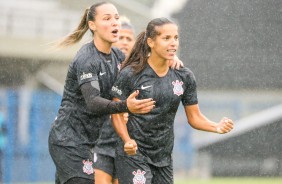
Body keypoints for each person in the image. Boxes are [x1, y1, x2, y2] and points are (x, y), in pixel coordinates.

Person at [110, 17, 234, 184]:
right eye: (166, 38)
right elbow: (116, 113)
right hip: (134, 154)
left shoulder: (184, 76)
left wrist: (216, 126)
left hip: (163, 158)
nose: (173, 43)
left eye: (175, 38)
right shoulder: (131, 74)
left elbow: (194, 117)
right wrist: (127, 140)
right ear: (151, 42)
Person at [48, 2, 156, 184]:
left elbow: (143, 66)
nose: (115, 22)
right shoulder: (87, 58)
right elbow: (93, 102)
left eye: (116, 18)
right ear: (92, 25)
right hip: (67, 141)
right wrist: (125, 106)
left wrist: (168, 58)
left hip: (86, 143)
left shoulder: (118, 56)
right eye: (107, 19)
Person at [92, 15, 136, 184]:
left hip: (126, 146)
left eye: (128, 38)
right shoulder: (99, 64)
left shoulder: (139, 71)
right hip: (100, 143)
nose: (124, 42)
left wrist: (172, 59)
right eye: (120, 37)